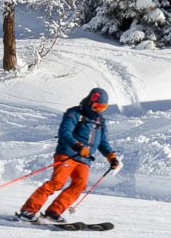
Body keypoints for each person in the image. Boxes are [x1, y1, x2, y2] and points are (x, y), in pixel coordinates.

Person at [17, 87, 121, 223]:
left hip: (84, 159)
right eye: (97, 106)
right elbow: (65, 132)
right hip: (68, 154)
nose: (99, 110)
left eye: (103, 108)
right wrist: (77, 146)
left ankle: (53, 212)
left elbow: (102, 141)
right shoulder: (75, 113)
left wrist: (111, 157)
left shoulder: (100, 121)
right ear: (90, 102)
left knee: (80, 184)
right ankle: (28, 210)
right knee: (57, 182)